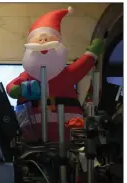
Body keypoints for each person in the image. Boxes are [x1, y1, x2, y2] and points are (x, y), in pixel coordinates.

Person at [6, 6, 104, 142]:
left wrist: (91, 53)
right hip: (32, 137)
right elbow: (11, 87)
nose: (42, 41)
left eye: (47, 38)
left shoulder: (66, 75)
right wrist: (19, 90)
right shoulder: (26, 77)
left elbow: (81, 66)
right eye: (38, 39)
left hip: (66, 136)